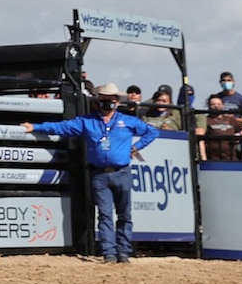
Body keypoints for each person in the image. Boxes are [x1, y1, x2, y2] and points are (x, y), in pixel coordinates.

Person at [22, 83, 158, 263]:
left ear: (117, 102)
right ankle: (109, 252)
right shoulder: (87, 122)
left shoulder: (127, 122)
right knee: (105, 214)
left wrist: (136, 147)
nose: (106, 103)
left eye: (110, 100)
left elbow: (152, 132)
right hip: (99, 173)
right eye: (103, 99)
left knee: (124, 214)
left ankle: (123, 251)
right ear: (98, 101)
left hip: (121, 172)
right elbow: (62, 127)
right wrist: (37, 127)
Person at [205, 73, 242, 163]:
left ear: (233, 82)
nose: (226, 83)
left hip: (235, 133)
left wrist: (233, 120)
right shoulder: (218, 97)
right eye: (224, 81)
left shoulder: (241, 99)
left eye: (229, 80)